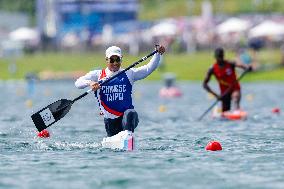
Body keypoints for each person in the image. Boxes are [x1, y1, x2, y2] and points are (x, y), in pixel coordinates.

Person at [75, 45, 165, 137]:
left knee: (130, 113)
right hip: (110, 120)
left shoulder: (129, 73)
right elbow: (78, 83)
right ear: (107, 60)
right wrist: (90, 83)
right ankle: (124, 138)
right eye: (112, 60)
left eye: (117, 60)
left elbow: (148, 69)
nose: (115, 63)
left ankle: (128, 135)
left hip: (127, 118)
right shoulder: (97, 75)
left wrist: (157, 54)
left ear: (121, 59)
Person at [203, 47, 252, 112]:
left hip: (235, 88)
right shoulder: (212, 69)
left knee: (235, 98)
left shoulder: (230, 63)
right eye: (218, 57)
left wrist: (247, 67)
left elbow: (241, 65)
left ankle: (237, 111)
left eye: (221, 56)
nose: (220, 58)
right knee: (225, 110)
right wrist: (216, 96)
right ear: (215, 57)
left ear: (223, 56)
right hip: (224, 92)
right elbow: (205, 84)